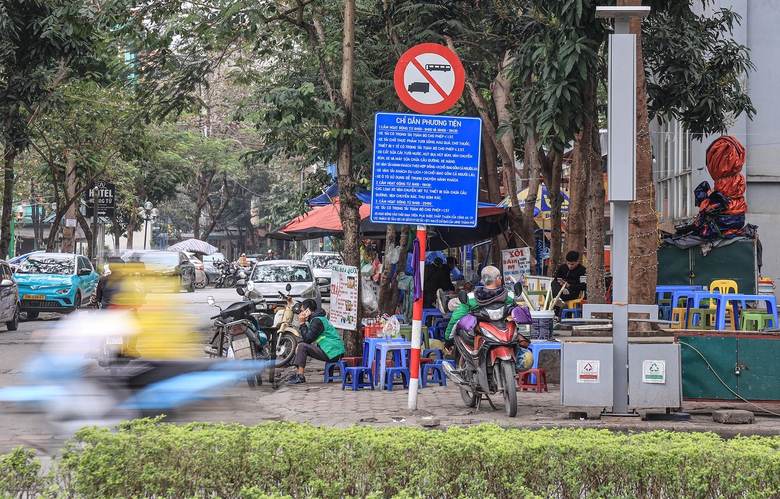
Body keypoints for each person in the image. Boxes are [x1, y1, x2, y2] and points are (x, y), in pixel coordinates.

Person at [443, 265, 516, 354]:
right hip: (501, 331)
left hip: (480, 334)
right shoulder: (509, 296)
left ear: (482, 280)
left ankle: (447, 304)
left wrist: (448, 340)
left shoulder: (472, 298)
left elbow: (455, 319)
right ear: (498, 279)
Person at [286, 299, 346, 384]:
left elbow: (308, 339)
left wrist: (302, 324)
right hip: (332, 351)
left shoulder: (317, 321)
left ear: (308, 311)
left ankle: (300, 376)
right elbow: (310, 336)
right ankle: (297, 374)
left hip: (331, 352)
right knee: (301, 345)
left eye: (302, 311)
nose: (301, 314)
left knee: (302, 347)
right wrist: (299, 344)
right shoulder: (318, 319)